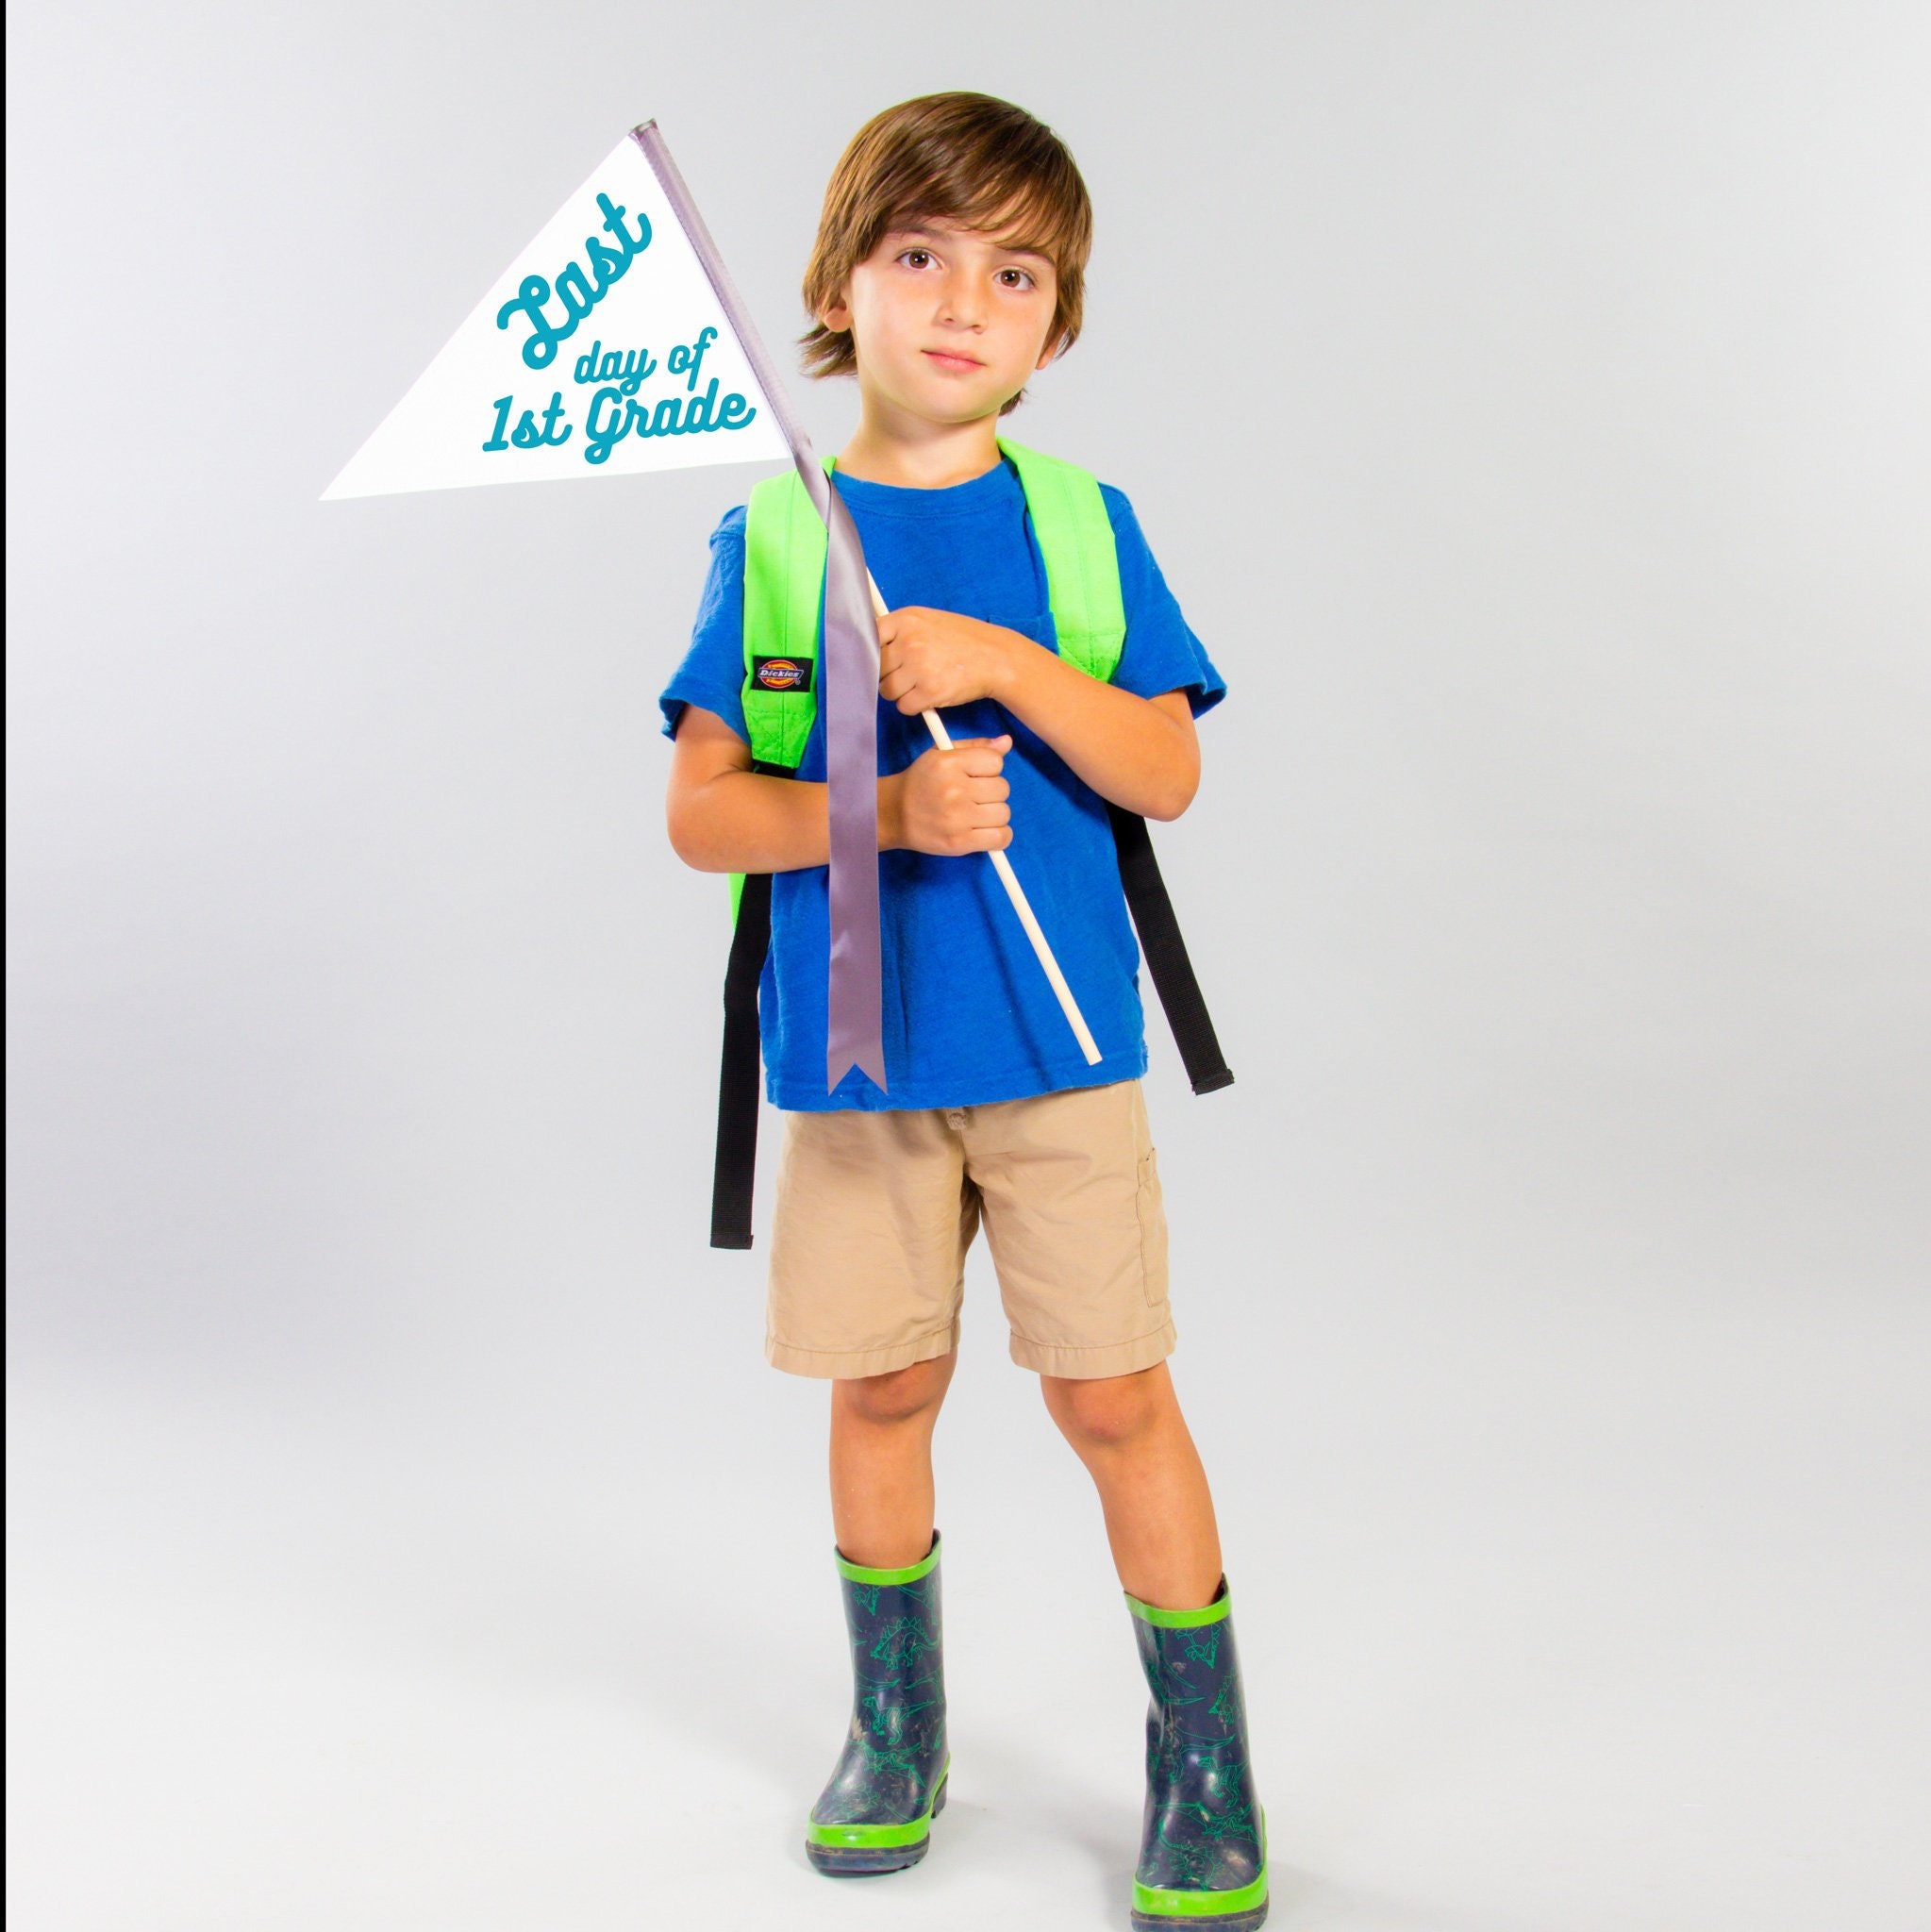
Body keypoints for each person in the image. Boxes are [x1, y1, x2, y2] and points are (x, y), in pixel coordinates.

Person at [658, 92, 1269, 1931]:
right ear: (838, 285)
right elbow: (704, 815)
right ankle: (896, 1730)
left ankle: (1205, 1765)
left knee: (1114, 1393)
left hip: (1059, 1050)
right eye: (918, 253)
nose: (960, 302)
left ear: (1056, 326)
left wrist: (1003, 663)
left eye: (1013, 274)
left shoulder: (1081, 528)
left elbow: (1164, 770)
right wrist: (889, 812)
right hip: (860, 1055)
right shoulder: (779, 539)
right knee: (884, 1384)